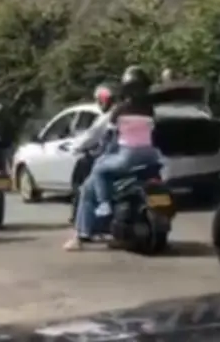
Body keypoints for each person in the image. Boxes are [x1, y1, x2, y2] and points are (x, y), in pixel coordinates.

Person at [65, 66, 161, 250]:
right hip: (150, 158)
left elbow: (104, 138)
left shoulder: (117, 112)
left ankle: (89, 225)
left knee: (90, 183)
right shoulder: (149, 110)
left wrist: (88, 149)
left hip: (126, 158)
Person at [67, 83, 119, 224]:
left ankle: (83, 226)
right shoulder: (133, 111)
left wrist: (75, 147)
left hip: (110, 158)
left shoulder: (108, 117)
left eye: (99, 101)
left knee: (84, 188)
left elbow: (90, 137)